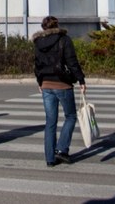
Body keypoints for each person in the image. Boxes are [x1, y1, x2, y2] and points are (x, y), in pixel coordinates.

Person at [33, 15, 86, 167]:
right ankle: (62, 150)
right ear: (57, 25)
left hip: (46, 85)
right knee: (70, 116)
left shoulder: (38, 42)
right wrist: (81, 80)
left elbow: (37, 64)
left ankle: (50, 159)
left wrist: (39, 81)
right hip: (62, 83)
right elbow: (72, 61)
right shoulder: (64, 39)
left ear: (44, 27)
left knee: (50, 122)